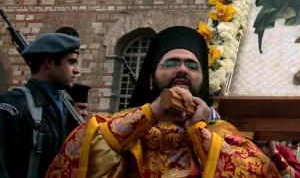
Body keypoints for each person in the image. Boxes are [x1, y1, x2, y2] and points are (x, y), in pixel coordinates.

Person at [46, 26, 278, 177]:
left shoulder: (223, 132)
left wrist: (199, 131)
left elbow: (257, 171)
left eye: (191, 65)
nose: (182, 70)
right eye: (170, 63)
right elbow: (83, 153)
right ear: (150, 80)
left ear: (202, 81)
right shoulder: (119, 126)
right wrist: (153, 113)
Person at [0, 32, 81, 178]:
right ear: (49, 62)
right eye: (71, 62)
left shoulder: (65, 109)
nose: (77, 70)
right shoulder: (14, 106)